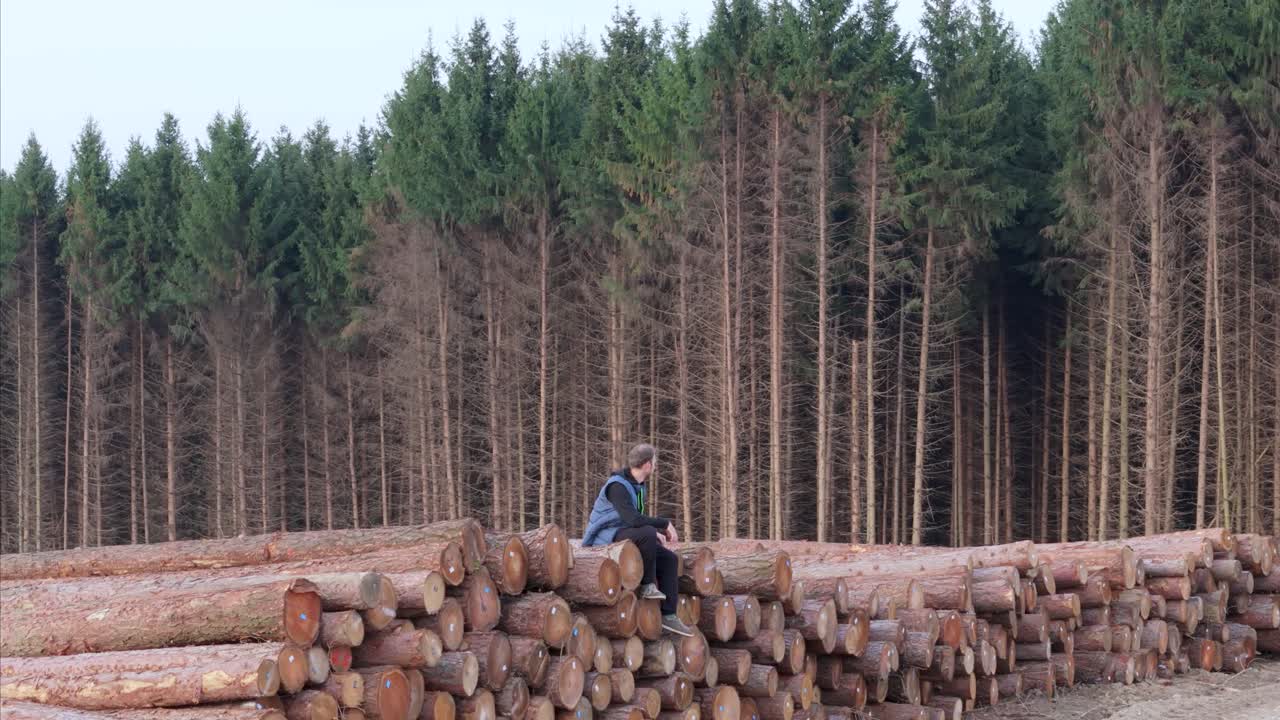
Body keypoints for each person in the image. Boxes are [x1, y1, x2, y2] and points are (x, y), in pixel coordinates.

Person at [582, 443, 693, 637]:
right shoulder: (617, 486)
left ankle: (669, 615)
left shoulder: (637, 486)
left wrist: (653, 533)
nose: (656, 465)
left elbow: (635, 519)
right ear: (647, 464)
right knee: (649, 531)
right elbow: (631, 519)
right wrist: (663, 524)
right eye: (655, 462)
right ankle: (647, 586)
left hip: (623, 532)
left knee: (670, 560)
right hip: (605, 537)